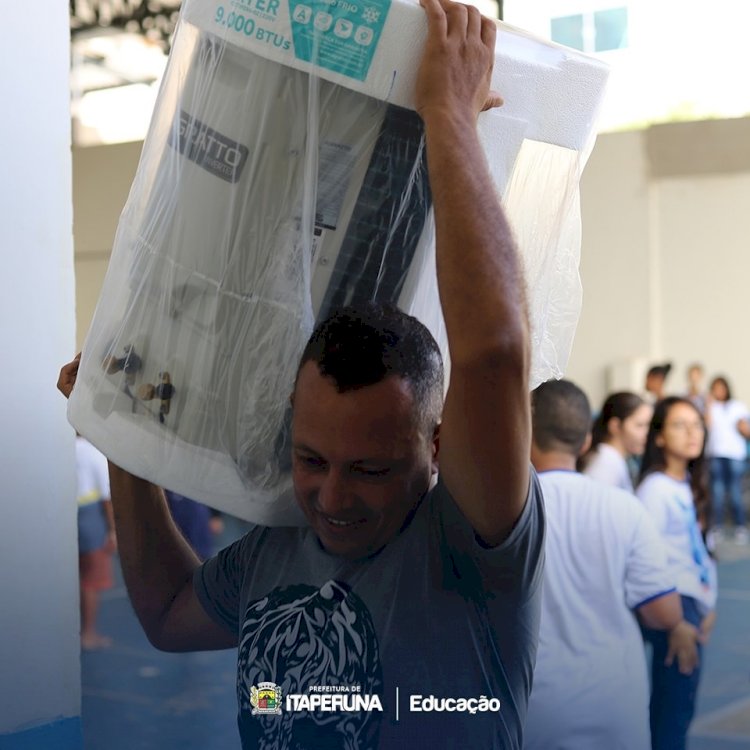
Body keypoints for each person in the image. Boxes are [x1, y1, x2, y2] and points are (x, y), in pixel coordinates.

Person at [58, 2, 544, 747]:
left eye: (372, 469)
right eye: (311, 457)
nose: (331, 495)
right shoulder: (280, 543)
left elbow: (494, 352)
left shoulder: (469, 547)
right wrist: (127, 439)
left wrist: (449, 116)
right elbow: (165, 615)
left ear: (436, 446)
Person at [525, 379, 687, 750]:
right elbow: (663, 613)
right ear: (585, 441)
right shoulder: (624, 507)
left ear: (524, 433)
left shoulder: (500, 514)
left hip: (533, 706)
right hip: (616, 701)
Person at [637, 397, 718, 750]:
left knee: (679, 707)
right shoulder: (655, 490)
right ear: (658, 437)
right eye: (679, 425)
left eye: (697, 424)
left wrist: (709, 603)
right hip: (675, 610)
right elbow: (647, 562)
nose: (692, 433)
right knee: (672, 713)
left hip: (693, 607)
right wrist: (675, 623)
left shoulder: (690, 483)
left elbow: (699, 551)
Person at [76, 434, 117, 650]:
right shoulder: (94, 452)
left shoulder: (64, 449)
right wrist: (112, 530)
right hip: (91, 518)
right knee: (91, 580)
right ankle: (88, 634)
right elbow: (106, 497)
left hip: (71, 515)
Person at [704, 375, 750, 543]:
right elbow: (707, 426)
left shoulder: (738, 406)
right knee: (717, 492)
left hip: (734, 455)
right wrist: (708, 405)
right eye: (715, 388)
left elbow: (746, 429)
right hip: (716, 453)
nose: (718, 391)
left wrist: (744, 428)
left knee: (735, 491)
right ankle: (717, 527)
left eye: (721, 387)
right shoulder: (711, 407)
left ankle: (740, 526)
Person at [579, 391, 652, 492]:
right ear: (615, 426)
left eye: (648, 426)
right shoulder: (606, 464)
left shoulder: (612, 459)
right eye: (639, 425)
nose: (646, 433)